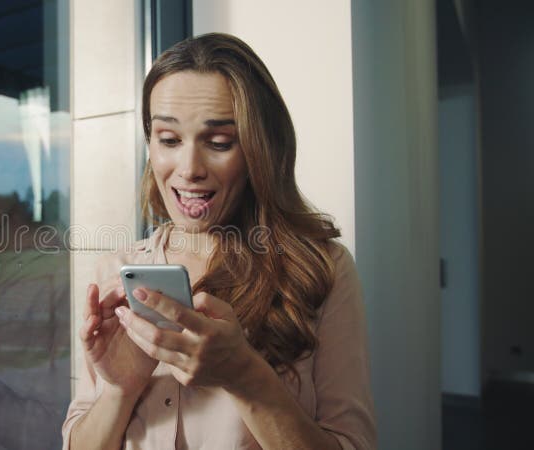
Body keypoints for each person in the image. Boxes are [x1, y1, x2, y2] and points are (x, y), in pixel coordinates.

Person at [61, 33, 376, 450]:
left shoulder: (324, 269)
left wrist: (245, 376)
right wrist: (121, 389)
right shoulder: (115, 272)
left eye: (219, 143)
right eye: (169, 140)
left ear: (258, 150)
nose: (189, 169)